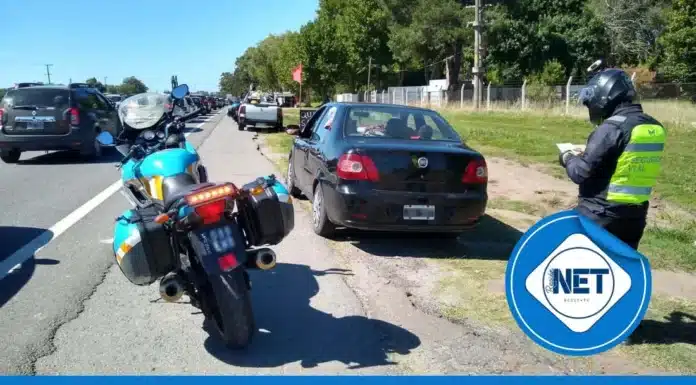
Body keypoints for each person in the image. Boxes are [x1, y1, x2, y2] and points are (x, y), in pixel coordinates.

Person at [559, 68, 666, 250]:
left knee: (567, 256)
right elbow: (625, 159)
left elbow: (580, 172)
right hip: (634, 218)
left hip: (599, 215)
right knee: (619, 269)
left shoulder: (612, 128)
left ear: (605, 95)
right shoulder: (653, 127)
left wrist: (567, 157)